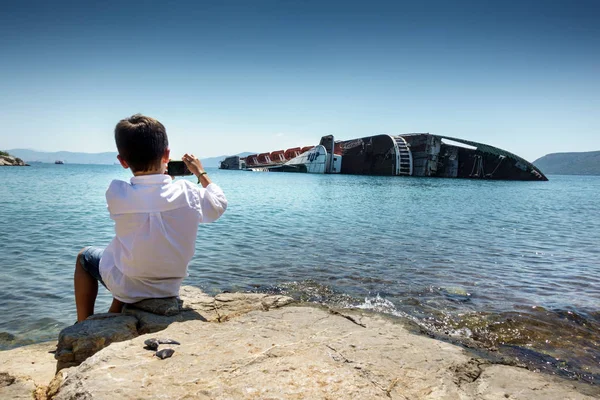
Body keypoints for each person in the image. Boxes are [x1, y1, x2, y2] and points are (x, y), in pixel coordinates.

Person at [74, 114, 227, 322]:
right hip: (169, 288)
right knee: (134, 250)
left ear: (122, 161)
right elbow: (218, 204)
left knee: (85, 257)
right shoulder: (188, 193)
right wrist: (200, 173)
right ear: (167, 155)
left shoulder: (116, 193)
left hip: (128, 284)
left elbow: (149, 197)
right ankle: (116, 312)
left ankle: (83, 324)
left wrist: (160, 180)